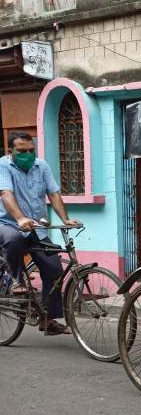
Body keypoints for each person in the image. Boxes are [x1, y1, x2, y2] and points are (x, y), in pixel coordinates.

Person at [0, 132, 81, 335]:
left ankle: (48, 320)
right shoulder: (3, 166)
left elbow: (53, 193)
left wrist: (65, 219)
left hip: (36, 228)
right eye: (21, 151)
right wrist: (20, 218)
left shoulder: (41, 166)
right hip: (7, 223)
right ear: (11, 151)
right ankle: (18, 280)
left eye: (30, 150)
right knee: (14, 238)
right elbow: (5, 193)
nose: (27, 155)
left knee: (54, 268)